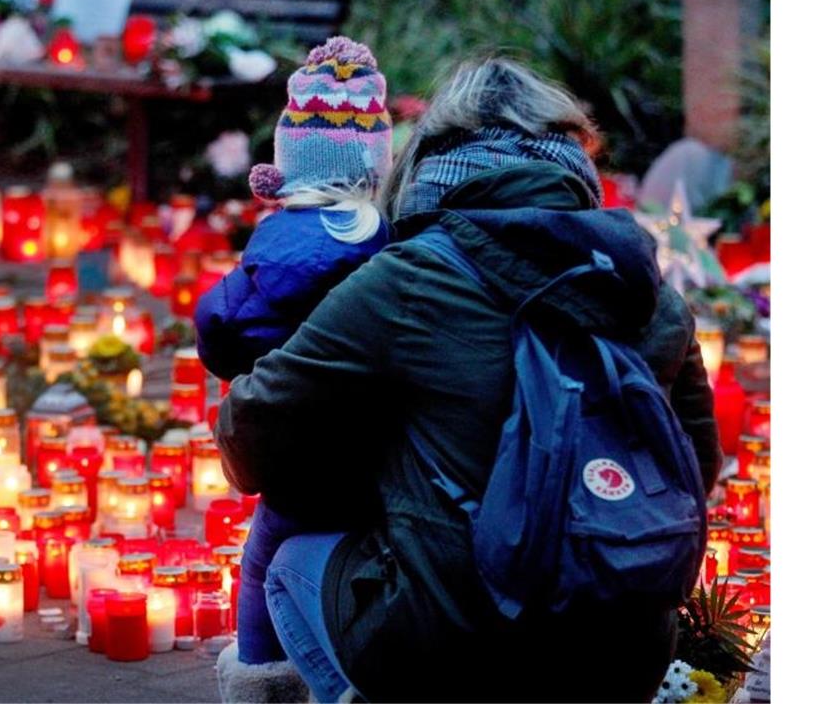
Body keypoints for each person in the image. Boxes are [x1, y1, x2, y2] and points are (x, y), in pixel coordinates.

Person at [215, 56, 721, 703]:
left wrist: (367, 481)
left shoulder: (414, 277)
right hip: (625, 656)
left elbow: (249, 428)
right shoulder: (648, 290)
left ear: (430, 161)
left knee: (289, 564)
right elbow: (695, 470)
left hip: (458, 649)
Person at [194, 37, 393, 702]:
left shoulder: (273, 246)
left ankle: (262, 678)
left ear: (289, 164)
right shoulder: (393, 242)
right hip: (380, 456)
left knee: (262, 565)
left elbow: (221, 334)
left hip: (295, 458)